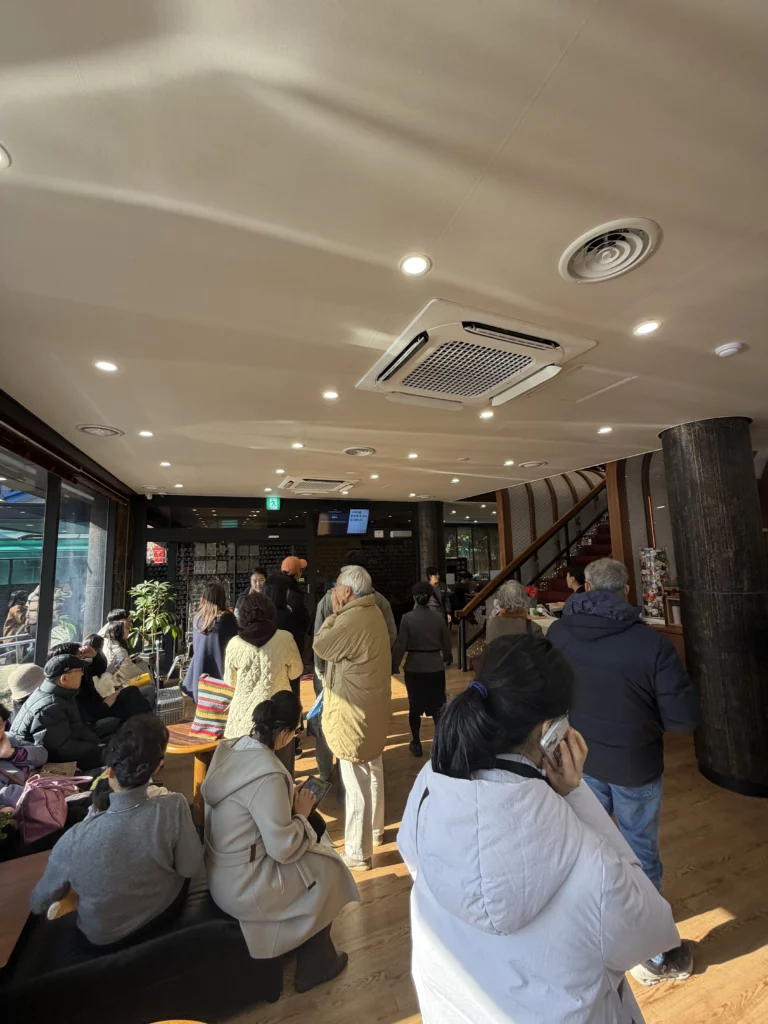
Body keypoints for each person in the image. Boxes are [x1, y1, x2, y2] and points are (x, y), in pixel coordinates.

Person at [398, 634, 681, 1024]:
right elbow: (654, 932)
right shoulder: (592, 865)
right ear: (552, 729)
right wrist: (575, 794)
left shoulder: (430, 786)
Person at [547, 557, 699, 985]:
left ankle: (591, 931)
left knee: (588, 847)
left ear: (587, 587)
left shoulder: (559, 634)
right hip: (635, 764)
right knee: (639, 854)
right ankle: (650, 956)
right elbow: (683, 718)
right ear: (626, 590)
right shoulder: (649, 644)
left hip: (579, 759)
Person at [203, 692, 358, 992]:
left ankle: (302, 943)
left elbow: (249, 813)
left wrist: (286, 801)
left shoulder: (231, 749)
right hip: (244, 885)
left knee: (316, 858)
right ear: (286, 733)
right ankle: (316, 964)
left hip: (220, 870)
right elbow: (283, 848)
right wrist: (300, 814)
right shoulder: (270, 772)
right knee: (327, 869)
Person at [29, 715, 202, 948]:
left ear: (109, 771)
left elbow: (38, 903)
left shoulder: (74, 839)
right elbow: (189, 867)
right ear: (158, 766)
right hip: (166, 913)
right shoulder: (175, 806)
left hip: (105, 940)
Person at [313, 565, 391, 871]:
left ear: (346, 591)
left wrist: (333, 614)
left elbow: (321, 645)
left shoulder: (351, 618)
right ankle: (376, 831)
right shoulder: (372, 613)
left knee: (356, 780)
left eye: (336, 586)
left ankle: (358, 853)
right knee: (374, 769)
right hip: (372, 707)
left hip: (353, 712)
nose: (333, 592)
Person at [313, 549, 397, 781]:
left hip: (337, 680)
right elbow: (391, 635)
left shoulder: (330, 600)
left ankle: (324, 773)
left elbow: (318, 640)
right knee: (365, 739)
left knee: (332, 725)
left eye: (338, 582)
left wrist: (320, 670)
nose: (336, 587)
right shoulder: (379, 602)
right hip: (371, 679)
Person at [223, 592, 303, 770]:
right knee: (282, 772)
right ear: (270, 611)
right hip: (279, 716)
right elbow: (296, 671)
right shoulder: (285, 638)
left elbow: (230, 681)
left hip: (245, 719)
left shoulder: (234, 643)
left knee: (246, 774)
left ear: (242, 614)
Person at [9, 653, 104, 770]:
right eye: (80, 670)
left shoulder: (61, 694)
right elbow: (62, 749)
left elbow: (77, 728)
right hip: (46, 764)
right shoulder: (50, 707)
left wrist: (96, 742)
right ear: (64, 678)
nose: (82, 674)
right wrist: (96, 748)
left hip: (63, 751)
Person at [392, 582, 452, 758]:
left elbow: (401, 643)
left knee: (415, 707)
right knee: (438, 707)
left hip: (414, 666)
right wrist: (447, 656)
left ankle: (416, 742)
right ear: (431, 597)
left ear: (414, 597)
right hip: (435, 665)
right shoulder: (438, 618)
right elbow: (446, 642)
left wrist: (394, 663)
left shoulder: (407, 618)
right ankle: (440, 744)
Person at [70, 636, 151, 727]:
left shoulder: (84, 674)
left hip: (105, 700)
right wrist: (113, 691)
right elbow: (95, 708)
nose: (81, 672)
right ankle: (148, 727)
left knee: (138, 692)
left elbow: (99, 671)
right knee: (134, 693)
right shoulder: (75, 686)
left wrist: (96, 657)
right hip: (102, 709)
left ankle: (149, 726)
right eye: (79, 656)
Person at [183, 583, 239, 702]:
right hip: (221, 674)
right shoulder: (227, 619)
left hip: (200, 673)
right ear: (222, 598)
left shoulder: (198, 618)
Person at [0, 701, 48, 807]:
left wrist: (12, 753)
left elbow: (43, 754)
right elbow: (5, 797)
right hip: (34, 805)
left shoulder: (8, 738)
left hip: (47, 783)